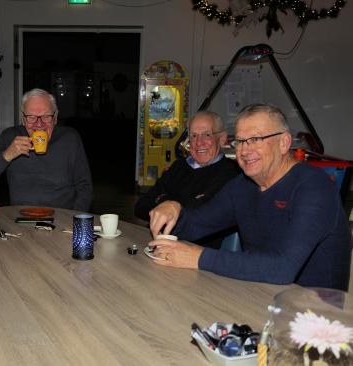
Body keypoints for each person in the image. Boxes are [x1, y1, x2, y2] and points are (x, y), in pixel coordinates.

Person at [148, 104, 351, 290]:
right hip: (257, 293)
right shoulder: (242, 186)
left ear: (284, 143)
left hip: (317, 315)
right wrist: (174, 209)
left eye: (256, 139)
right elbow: (195, 226)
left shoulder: (314, 187)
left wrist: (197, 257)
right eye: (240, 141)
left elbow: (283, 268)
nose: (245, 150)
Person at [0, 88, 93, 211]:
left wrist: (74, 219)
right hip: (20, 218)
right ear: (23, 118)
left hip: (61, 218)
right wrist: (6, 156)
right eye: (31, 117)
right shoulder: (9, 137)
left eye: (46, 117)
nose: (39, 124)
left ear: (55, 117)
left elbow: (85, 187)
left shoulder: (69, 138)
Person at [134, 111, 240, 247]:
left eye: (207, 135)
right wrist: (167, 203)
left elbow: (199, 215)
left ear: (222, 138)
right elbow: (141, 206)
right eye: (193, 136)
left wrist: (165, 202)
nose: (199, 142)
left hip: (198, 253)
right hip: (158, 245)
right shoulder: (178, 166)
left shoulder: (232, 174)